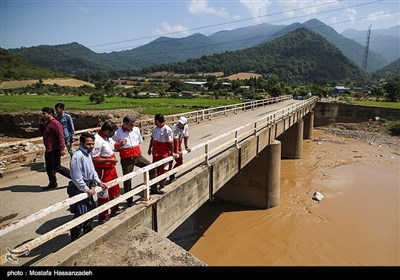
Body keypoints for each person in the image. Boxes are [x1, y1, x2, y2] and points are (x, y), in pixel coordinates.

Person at [68, 132, 107, 242]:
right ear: (81, 143)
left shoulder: (88, 154)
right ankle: (75, 235)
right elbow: (76, 177)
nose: (91, 146)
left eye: (92, 144)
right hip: (79, 187)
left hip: (88, 185)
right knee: (81, 211)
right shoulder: (77, 157)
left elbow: (92, 170)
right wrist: (86, 189)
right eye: (88, 144)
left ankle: (87, 231)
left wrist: (99, 182)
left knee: (90, 209)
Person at [112, 115, 157, 205]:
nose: (132, 127)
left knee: (152, 167)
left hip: (138, 156)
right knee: (127, 179)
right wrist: (120, 145)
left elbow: (139, 141)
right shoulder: (117, 133)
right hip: (127, 159)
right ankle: (129, 200)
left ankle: (153, 188)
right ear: (125, 123)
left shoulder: (136, 130)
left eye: (133, 125)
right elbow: (112, 147)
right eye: (131, 125)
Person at [92, 121, 121, 224]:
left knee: (115, 190)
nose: (115, 134)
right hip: (103, 170)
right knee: (103, 192)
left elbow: (114, 146)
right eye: (113, 132)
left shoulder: (107, 138)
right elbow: (94, 158)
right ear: (107, 131)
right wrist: (109, 160)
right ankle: (103, 215)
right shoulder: (97, 140)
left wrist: (121, 143)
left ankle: (114, 208)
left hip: (111, 169)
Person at [39, 107, 71, 190]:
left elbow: (60, 136)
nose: (42, 115)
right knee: (49, 168)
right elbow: (43, 132)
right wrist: (41, 124)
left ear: (50, 114)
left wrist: (62, 148)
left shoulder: (56, 124)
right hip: (48, 149)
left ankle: (75, 178)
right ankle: (52, 183)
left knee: (57, 167)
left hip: (54, 149)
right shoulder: (47, 123)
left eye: (44, 113)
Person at [147, 114, 178, 193]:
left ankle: (162, 184)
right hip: (156, 153)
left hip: (164, 153)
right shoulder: (155, 129)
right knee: (155, 169)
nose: (154, 122)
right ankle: (154, 187)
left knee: (164, 170)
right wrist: (150, 148)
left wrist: (172, 152)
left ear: (157, 120)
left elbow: (170, 143)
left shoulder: (167, 129)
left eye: (155, 120)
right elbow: (152, 139)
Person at [169, 116, 191, 182]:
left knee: (180, 162)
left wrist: (186, 147)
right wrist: (176, 151)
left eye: (181, 124)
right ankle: (167, 177)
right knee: (169, 162)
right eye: (179, 123)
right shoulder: (175, 128)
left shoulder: (186, 127)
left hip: (179, 144)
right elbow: (175, 140)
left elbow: (186, 137)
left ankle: (172, 174)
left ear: (184, 124)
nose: (180, 124)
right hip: (171, 145)